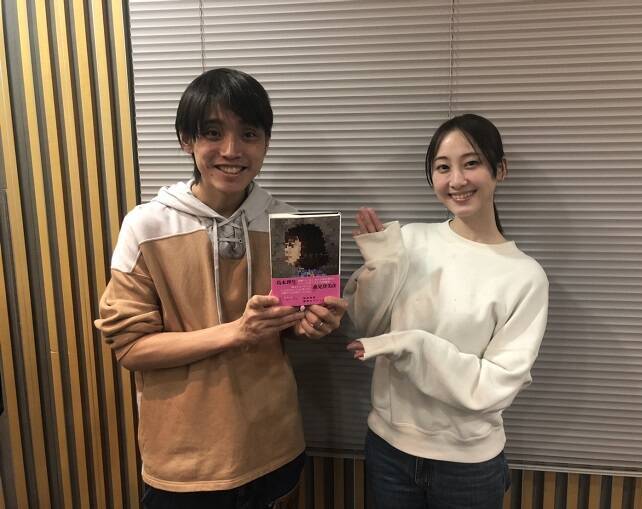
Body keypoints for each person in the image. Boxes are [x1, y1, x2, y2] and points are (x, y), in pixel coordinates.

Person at [96, 67, 347, 508]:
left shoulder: (292, 224)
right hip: (184, 462)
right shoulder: (146, 225)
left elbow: (292, 324)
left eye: (248, 134)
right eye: (213, 133)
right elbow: (130, 348)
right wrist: (236, 332)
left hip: (275, 445)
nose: (231, 150)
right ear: (186, 139)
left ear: (265, 142)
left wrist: (312, 325)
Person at [344, 114, 549, 509]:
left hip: (469, 465)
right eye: (443, 167)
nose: (457, 180)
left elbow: (493, 385)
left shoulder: (525, 276)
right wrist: (381, 265)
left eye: (471, 163)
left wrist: (413, 345)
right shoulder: (410, 240)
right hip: (388, 448)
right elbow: (367, 325)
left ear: (500, 170)